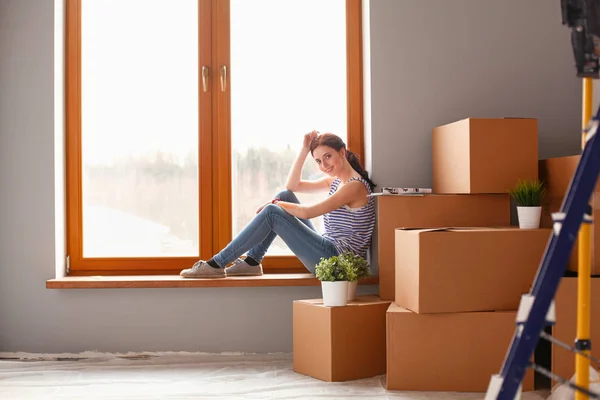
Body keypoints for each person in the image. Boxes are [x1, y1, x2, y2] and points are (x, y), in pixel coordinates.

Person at [180, 131, 377, 278]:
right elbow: (292, 186)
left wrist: (275, 205)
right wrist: (303, 150)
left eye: (328, 156)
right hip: (328, 248)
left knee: (274, 211)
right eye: (318, 161)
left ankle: (216, 264)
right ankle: (252, 261)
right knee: (284, 195)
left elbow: (308, 213)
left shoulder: (355, 187)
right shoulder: (335, 181)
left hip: (337, 260)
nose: (324, 166)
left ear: (342, 152)